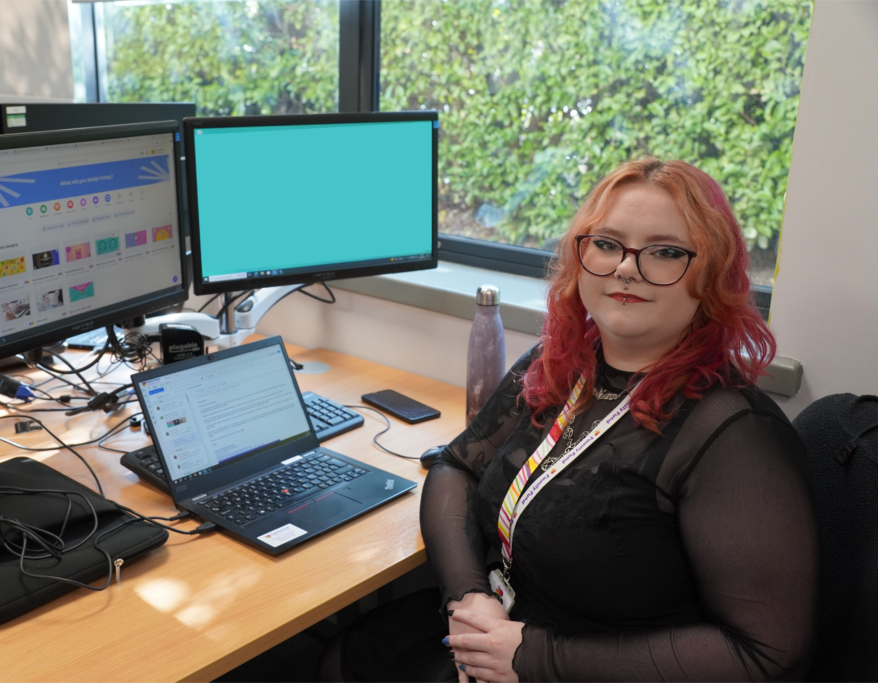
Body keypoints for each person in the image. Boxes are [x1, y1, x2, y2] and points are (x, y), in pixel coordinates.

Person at [327, 158, 819, 682]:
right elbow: (455, 467)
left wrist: (535, 658)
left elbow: (763, 652)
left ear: (712, 273)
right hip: (500, 626)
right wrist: (469, 600)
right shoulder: (560, 365)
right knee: (349, 652)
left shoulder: (734, 435)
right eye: (606, 244)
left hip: (591, 666)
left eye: (666, 252)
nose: (627, 268)